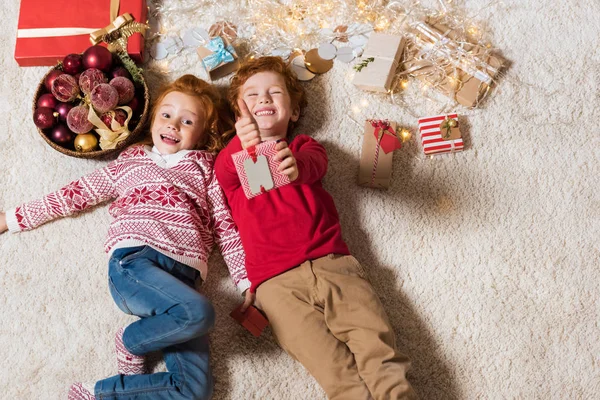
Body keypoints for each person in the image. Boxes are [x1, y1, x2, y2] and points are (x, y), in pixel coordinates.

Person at [0, 74, 251, 400]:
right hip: (135, 264)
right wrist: (11, 218)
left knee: (195, 392)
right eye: (167, 114)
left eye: (187, 121)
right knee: (200, 314)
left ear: (203, 134)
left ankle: (100, 394)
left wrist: (246, 281)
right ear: (152, 120)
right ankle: (132, 340)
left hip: (185, 283)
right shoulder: (131, 162)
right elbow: (75, 194)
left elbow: (225, 227)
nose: (174, 124)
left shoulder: (206, 169)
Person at [214, 56, 418, 399]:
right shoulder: (231, 161)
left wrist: (292, 165)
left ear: (293, 111)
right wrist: (243, 143)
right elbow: (228, 173)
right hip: (276, 286)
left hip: (333, 265)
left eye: (274, 93)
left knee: (378, 349)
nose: (263, 99)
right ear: (237, 115)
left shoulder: (304, 147)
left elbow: (314, 165)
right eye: (251, 96)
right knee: (334, 371)